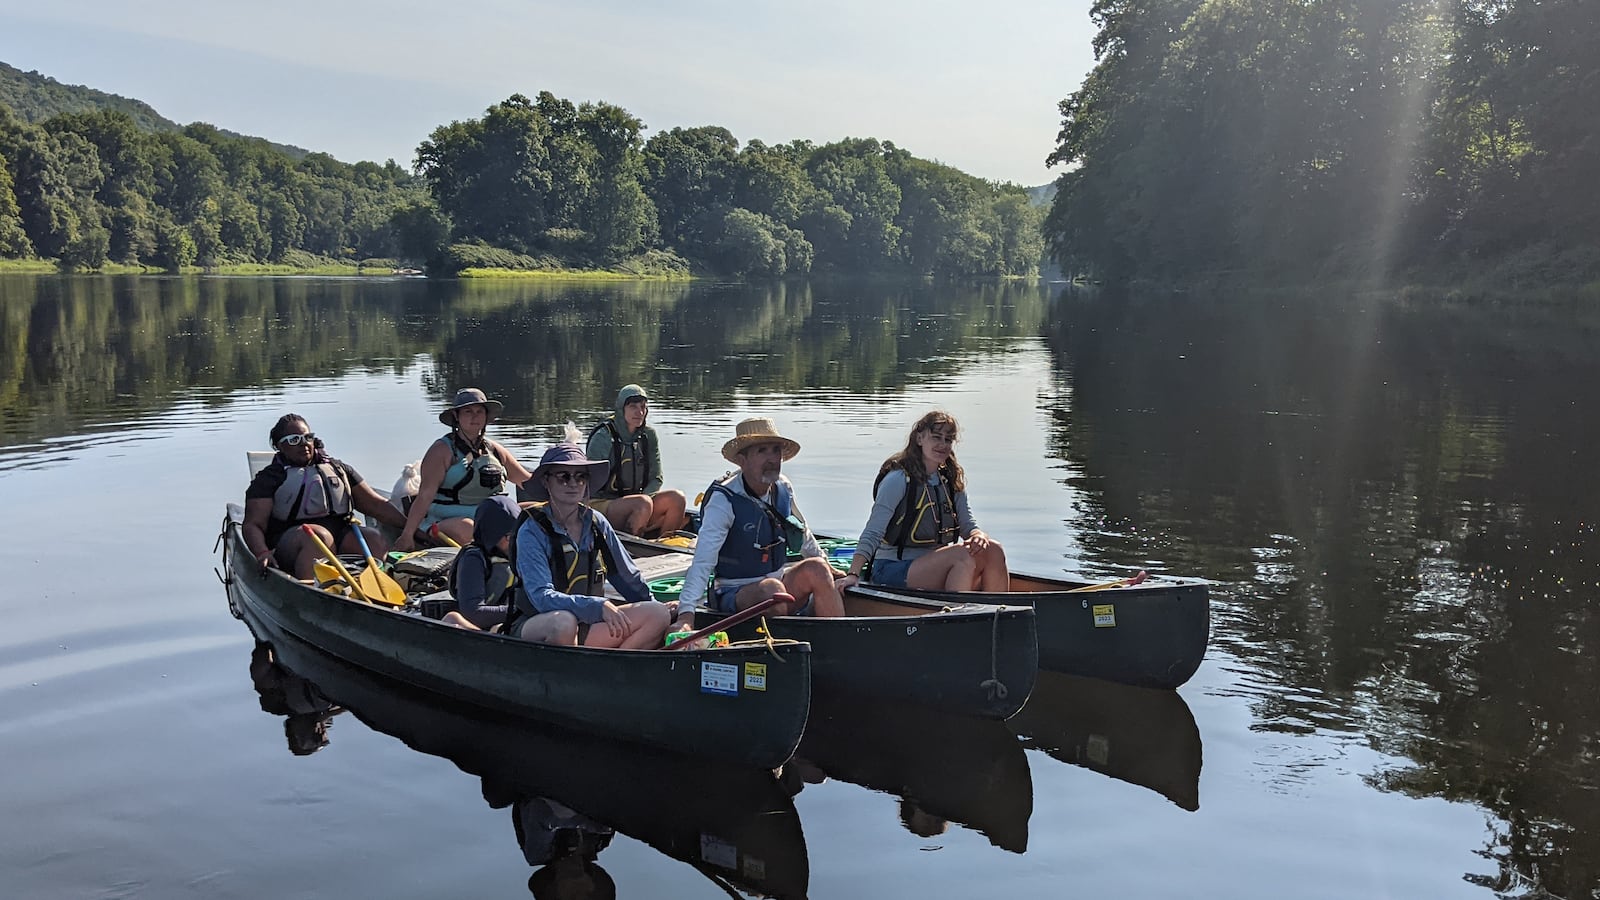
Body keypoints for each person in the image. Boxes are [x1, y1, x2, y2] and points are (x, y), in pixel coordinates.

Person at [676, 418, 849, 631]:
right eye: (762, 451)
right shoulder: (723, 501)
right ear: (742, 460)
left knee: (818, 569)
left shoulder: (783, 487)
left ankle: (837, 637)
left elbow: (802, 533)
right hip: (734, 591)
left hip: (777, 584)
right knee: (773, 591)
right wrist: (686, 615)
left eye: (776, 451)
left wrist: (827, 566)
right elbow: (703, 562)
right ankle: (795, 639)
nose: (772, 459)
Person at [505, 433, 673, 648]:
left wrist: (657, 604)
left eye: (580, 476)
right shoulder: (531, 530)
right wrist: (597, 606)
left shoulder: (595, 522)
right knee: (564, 622)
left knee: (657, 614)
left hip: (586, 624)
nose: (573, 483)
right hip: (538, 624)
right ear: (546, 481)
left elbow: (626, 576)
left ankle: (616, 670)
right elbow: (541, 597)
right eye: (564, 476)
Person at [845, 411, 1008, 592]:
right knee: (961, 556)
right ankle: (957, 615)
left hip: (936, 564)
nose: (942, 444)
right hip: (891, 568)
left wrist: (979, 536)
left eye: (948, 439)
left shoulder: (950, 480)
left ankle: (999, 612)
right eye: (936, 437)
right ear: (920, 439)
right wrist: (853, 574)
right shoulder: (898, 479)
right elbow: (873, 531)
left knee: (994, 549)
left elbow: (968, 527)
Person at [242, 413, 410, 580]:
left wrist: (412, 530)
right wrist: (262, 553)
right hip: (292, 542)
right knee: (318, 538)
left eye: (308, 437)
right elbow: (253, 525)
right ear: (281, 446)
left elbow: (377, 505)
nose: (304, 444)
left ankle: (372, 591)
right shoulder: (269, 479)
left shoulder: (338, 468)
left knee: (373, 538)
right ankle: (314, 593)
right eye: (294, 440)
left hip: (339, 535)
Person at [396, 388, 534, 551]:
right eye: (468, 411)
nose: (474, 416)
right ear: (456, 416)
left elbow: (528, 482)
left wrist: (561, 486)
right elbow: (425, 496)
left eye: (479, 411)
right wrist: (407, 535)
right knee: (467, 529)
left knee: (541, 511)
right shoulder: (441, 451)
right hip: (446, 521)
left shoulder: (494, 450)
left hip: (492, 517)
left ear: (486, 416)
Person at [584, 384, 688, 538]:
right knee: (642, 503)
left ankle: (664, 546)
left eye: (643, 407)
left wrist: (646, 503)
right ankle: (632, 546)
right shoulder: (603, 436)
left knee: (677, 498)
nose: (639, 412)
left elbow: (656, 478)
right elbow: (589, 481)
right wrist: (640, 503)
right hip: (601, 503)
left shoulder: (648, 436)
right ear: (621, 409)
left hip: (638, 502)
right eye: (633, 406)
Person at [439, 495, 522, 631]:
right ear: (491, 534)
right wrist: (522, 611)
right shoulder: (474, 558)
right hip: (479, 628)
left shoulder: (524, 554)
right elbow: (473, 613)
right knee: (453, 619)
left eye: (518, 534)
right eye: (508, 536)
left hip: (511, 623)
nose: (515, 541)